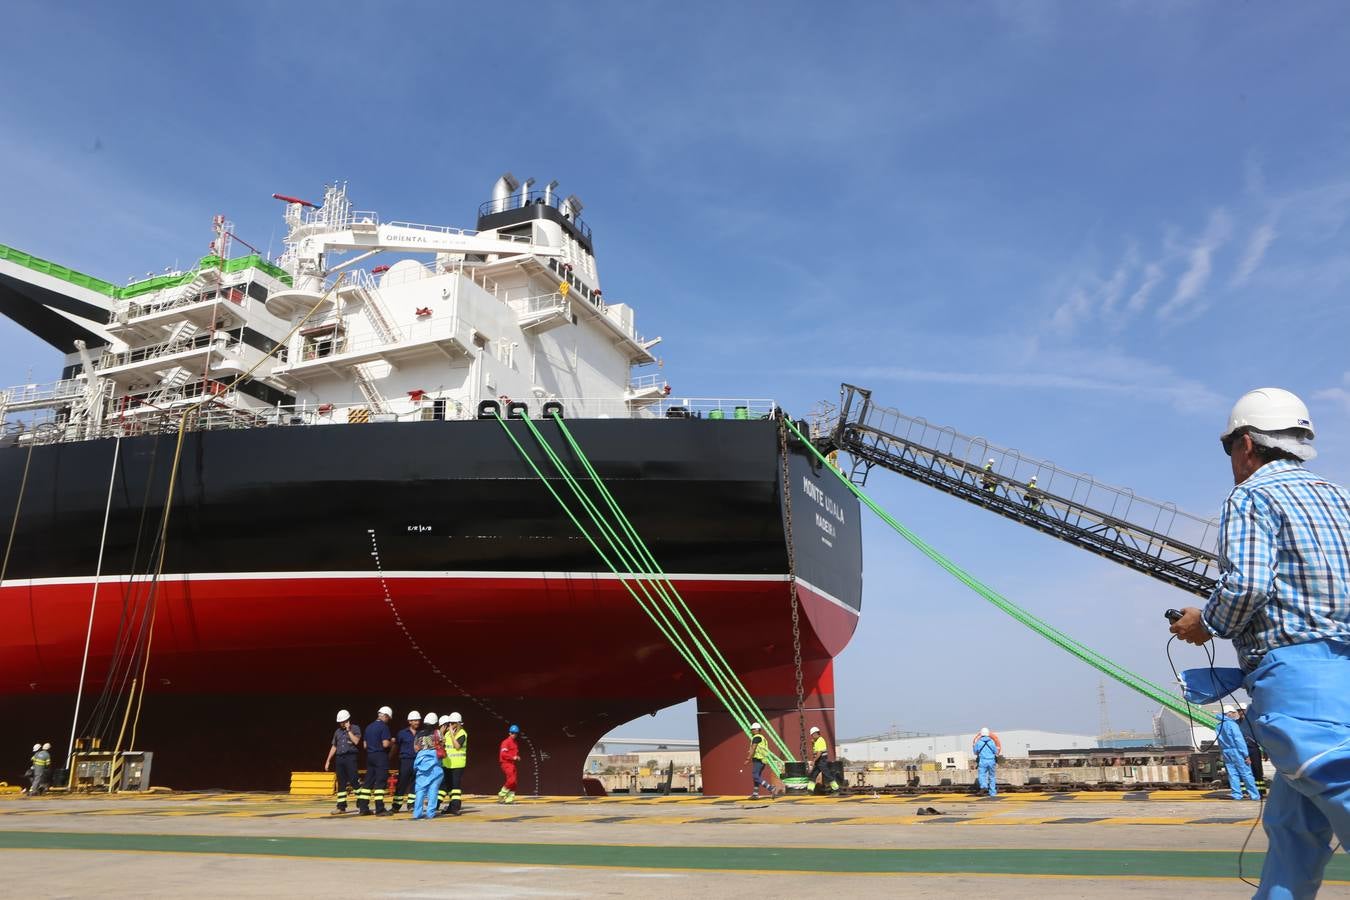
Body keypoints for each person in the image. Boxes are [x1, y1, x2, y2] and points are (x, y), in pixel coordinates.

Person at [1170, 387, 1350, 898]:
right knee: (1294, 832)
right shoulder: (1342, 498)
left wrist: (1205, 622)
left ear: (1245, 443)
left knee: (1335, 776)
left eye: (1229, 449)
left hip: (1298, 677)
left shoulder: (1252, 495)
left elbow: (1247, 583)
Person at [1216, 707, 1261, 801]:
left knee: (1232, 774)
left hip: (1226, 751)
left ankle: (1236, 794)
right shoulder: (1233, 725)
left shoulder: (1218, 726)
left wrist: (1223, 753)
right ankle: (1254, 795)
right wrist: (1246, 755)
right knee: (1246, 773)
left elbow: (1220, 741)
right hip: (1236, 751)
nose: (1235, 714)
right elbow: (1238, 740)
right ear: (1228, 713)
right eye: (1233, 713)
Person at [357, 705, 394, 816]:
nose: (388, 721)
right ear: (385, 716)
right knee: (380, 782)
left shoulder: (368, 727)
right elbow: (385, 744)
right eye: (388, 718)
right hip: (380, 756)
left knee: (368, 782)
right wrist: (392, 741)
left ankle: (363, 808)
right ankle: (380, 809)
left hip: (370, 756)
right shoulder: (384, 727)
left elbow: (364, 745)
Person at [324, 709, 362, 815]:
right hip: (340, 758)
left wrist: (349, 730)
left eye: (343, 721)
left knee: (354, 781)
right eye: (340, 722)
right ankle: (341, 807)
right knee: (341, 783)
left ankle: (362, 805)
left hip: (351, 757)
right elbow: (334, 746)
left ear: (347, 720)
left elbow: (356, 741)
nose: (341, 724)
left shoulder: (355, 728)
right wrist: (328, 760)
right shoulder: (337, 732)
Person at [411, 713, 443, 820]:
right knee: (433, 789)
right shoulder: (437, 733)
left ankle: (417, 813)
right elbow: (442, 745)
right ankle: (430, 813)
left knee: (420, 789)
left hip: (422, 762)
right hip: (435, 763)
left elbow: (415, 748)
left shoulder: (419, 734)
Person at [390, 711, 422, 813]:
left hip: (417, 761)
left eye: (418, 720)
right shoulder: (402, 733)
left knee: (415, 784)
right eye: (415, 720)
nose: (417, 722)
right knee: (401, 784)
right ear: (410, 721)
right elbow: (396, 746)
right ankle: (396, 806)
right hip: (405, 761)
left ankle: (411, 805)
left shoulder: (421, 734)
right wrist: (389, 757)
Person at [441, 711, 468, 816]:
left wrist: (451, 733)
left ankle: (456, 808)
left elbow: (457, 746)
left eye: (453, 723)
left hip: (458, 765)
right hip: (447, 764)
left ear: (459, 723)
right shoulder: (447, 733)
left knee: (455, 787)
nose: (451, 725)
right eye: (450, 723)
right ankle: (451, 807)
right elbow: (443, 745)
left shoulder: (462, 734)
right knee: (449, 787)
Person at [745, 722, 779, 799]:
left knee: (755, 776)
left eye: (752, 729)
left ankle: (770, 788)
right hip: (762, 760)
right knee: (757, 776)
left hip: (758, 759)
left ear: (756, 730)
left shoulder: (756, 737)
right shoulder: (762, 738)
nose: (751, 731)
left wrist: (748, 758)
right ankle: (755, 793)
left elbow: (753, 748)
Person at [807, 726, 839, 794]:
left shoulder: (820, 740)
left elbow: (819, 753)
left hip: (821, 761)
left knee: (827, 775)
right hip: (819, 761)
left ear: (815, 733)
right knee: (813, 775)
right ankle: (810, 789)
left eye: (812, 735)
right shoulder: (817, 741)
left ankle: (836, 789)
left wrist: (814, 761)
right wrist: (813, 743)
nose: (812, 736)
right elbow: (815, 750)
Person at [971, 727, 1001, 797]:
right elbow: (996, 751)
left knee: (982, 775)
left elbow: (975, 752)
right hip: (991, 761)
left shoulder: (978, 742)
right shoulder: (992, 742)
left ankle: (983, 786)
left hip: (983, 761)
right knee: (992, 777)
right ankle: (992, 793)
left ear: (981, 734)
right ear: (988, 734)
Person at [498, 724, 521, 804]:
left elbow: (513, 753)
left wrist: (516, 757)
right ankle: (501, 794)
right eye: (513, 733)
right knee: (511, 780)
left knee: (514, 782)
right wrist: (513, 757)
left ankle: (509, 799)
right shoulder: (505, 742)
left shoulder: (515, 743)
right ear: (509, 733)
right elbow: (503, 754)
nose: (514, 735)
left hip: (512, 764)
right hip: (506, 763)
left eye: (516, 733)